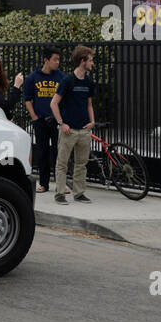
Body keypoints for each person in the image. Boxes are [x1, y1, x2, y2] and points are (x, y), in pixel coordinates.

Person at [51, 45, 96, 205]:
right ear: (82, 61)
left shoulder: (89, 82)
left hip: (84, 130)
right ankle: (60, 194)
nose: (92, 63)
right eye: (90, 60)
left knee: (81, 164)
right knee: (62, 163)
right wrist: (61, 123)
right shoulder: (67, 80)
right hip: (68, 130)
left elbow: (89, 104)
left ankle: (79, 193)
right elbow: (54, 103)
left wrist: (92, 121)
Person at [23, 46, 64, 193]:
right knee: (43, 153)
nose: (57, 62)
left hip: (57, 121)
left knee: (59, 153)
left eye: (58, 59)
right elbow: (27, 99)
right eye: (55, 59)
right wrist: (34, 117)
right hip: (40, 121)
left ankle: (61, 184)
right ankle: (44, 184)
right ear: (46, 60)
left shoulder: (61, 77)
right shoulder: (33, 78)